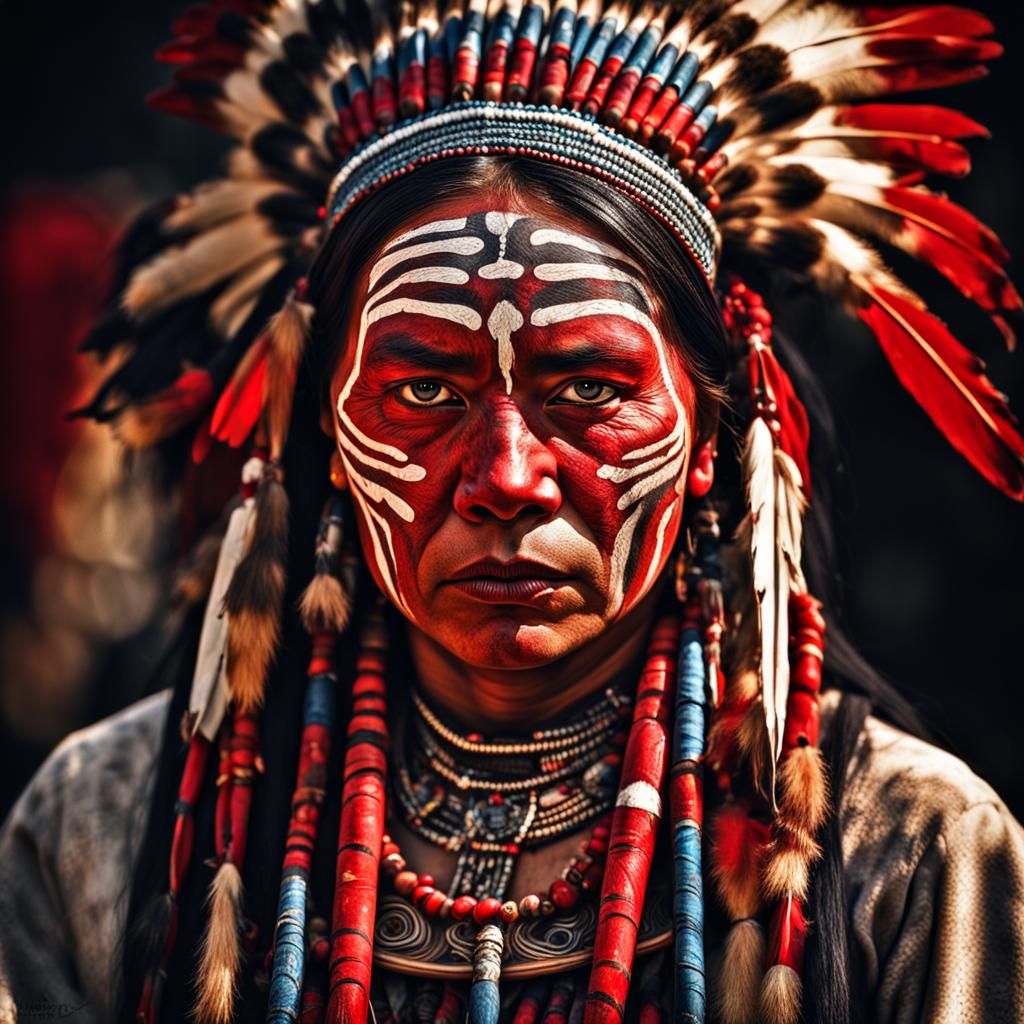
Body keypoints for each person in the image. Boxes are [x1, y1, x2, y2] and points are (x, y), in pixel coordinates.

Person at [1, 2, 1022, 1023]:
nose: (507, 476)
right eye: (424, 392)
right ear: (325, 424)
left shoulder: (908, 848)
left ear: (714, 425)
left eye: (587, 390)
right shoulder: (100, 824)